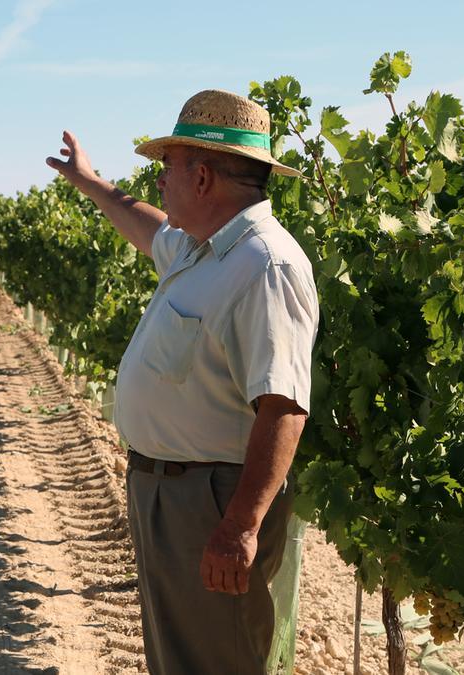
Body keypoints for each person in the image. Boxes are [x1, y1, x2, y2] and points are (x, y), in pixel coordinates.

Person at [46, 90, 319, 674]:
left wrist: (239, 526)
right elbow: (146, 227)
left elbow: (284, 407)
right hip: (171, 495)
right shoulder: (202, 250)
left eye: (165, 169)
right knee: (180, 659)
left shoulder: (265, 266)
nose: (159, 182)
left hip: (212, 503)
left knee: (216, 659)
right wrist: (90, 183)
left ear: (201, 178)